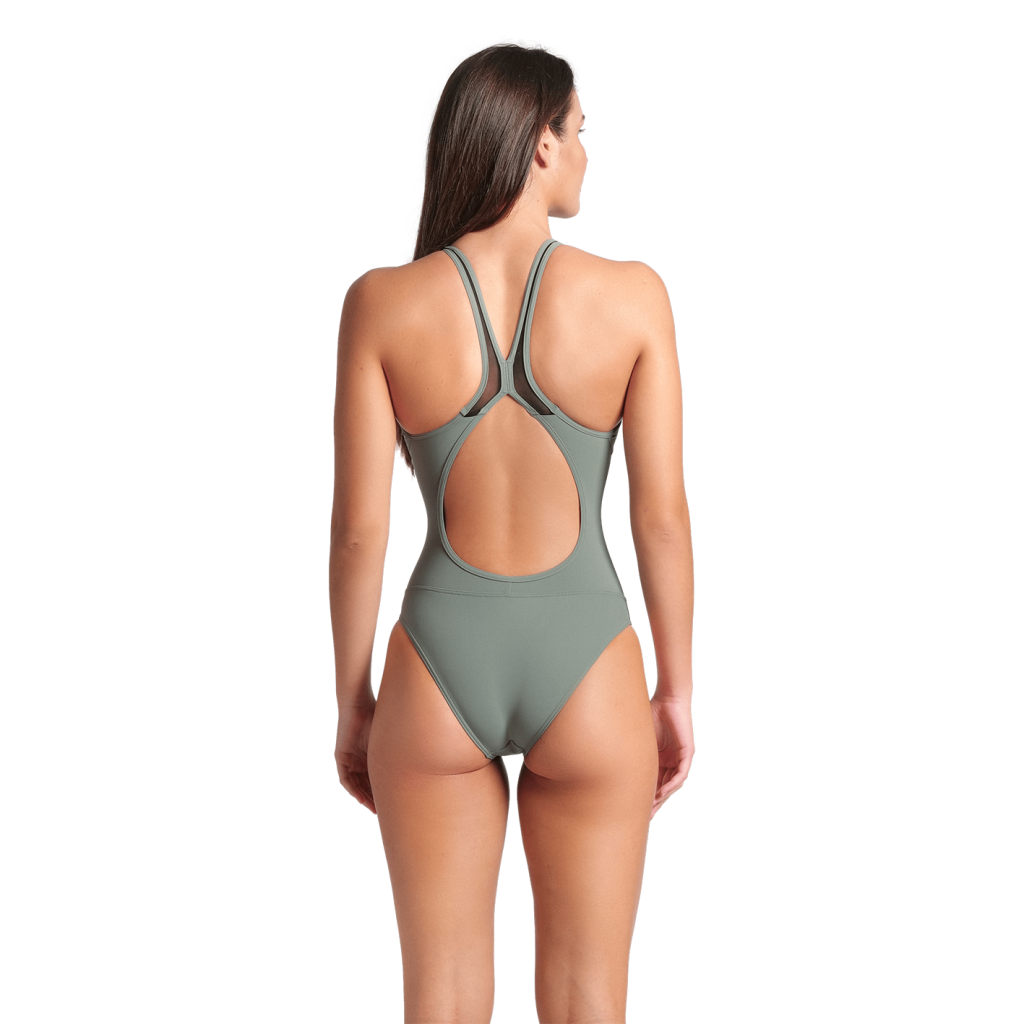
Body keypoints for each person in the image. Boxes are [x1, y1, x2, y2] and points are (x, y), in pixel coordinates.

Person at [329, 43, 694, 1024]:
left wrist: (354, 701)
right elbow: (660, 518)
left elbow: (360, 531)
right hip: (591, 658)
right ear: (538, 143)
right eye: (579, 131)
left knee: (441, 1002)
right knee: (589, 1003)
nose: (586, 153)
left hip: (436, 663)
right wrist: (675, 687)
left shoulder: (380, 303)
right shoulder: (634, 297)